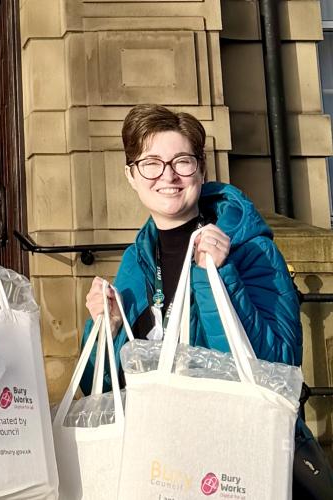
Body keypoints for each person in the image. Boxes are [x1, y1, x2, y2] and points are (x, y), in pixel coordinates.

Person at [81, 103, 332, 498]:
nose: (167, 175)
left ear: (201, 169)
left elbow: (278, 367)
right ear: (131, 175)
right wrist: (104, 330)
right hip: (164, 467)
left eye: (182, 161)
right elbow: (107, 389)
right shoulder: (135, 261)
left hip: (236, 464)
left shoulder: (249, 249)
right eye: (151, 163)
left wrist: (221, 275)